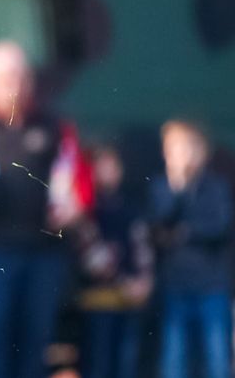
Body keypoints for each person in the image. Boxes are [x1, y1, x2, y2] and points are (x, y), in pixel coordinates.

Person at [0, 41, 84, 378]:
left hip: (43, 254)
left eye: (17, 75)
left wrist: (74, 208)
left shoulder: (54, 128)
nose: (12, 83)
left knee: (34, 344)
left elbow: (78, 184)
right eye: (3, 76)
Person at [149, 119, 233, 378]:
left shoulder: (217, 187)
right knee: (175, 360)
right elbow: (160, 224)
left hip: (211, 286)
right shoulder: (163, 187)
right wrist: (178, 188)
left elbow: (219, 226)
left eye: (179, 148)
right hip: (176, 284)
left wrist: (184, 233)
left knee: (216, 360)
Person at [75, 146, 153, 378]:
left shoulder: (130, 208)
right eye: (102, 166)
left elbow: (142, 247)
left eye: (113, 166)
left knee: (124, 366)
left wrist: (145, 280)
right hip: (97, 303)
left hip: (128, 304)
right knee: (98, 365)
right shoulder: (86, 210)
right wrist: (124, 282)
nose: (108, 172)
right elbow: (91, 255)